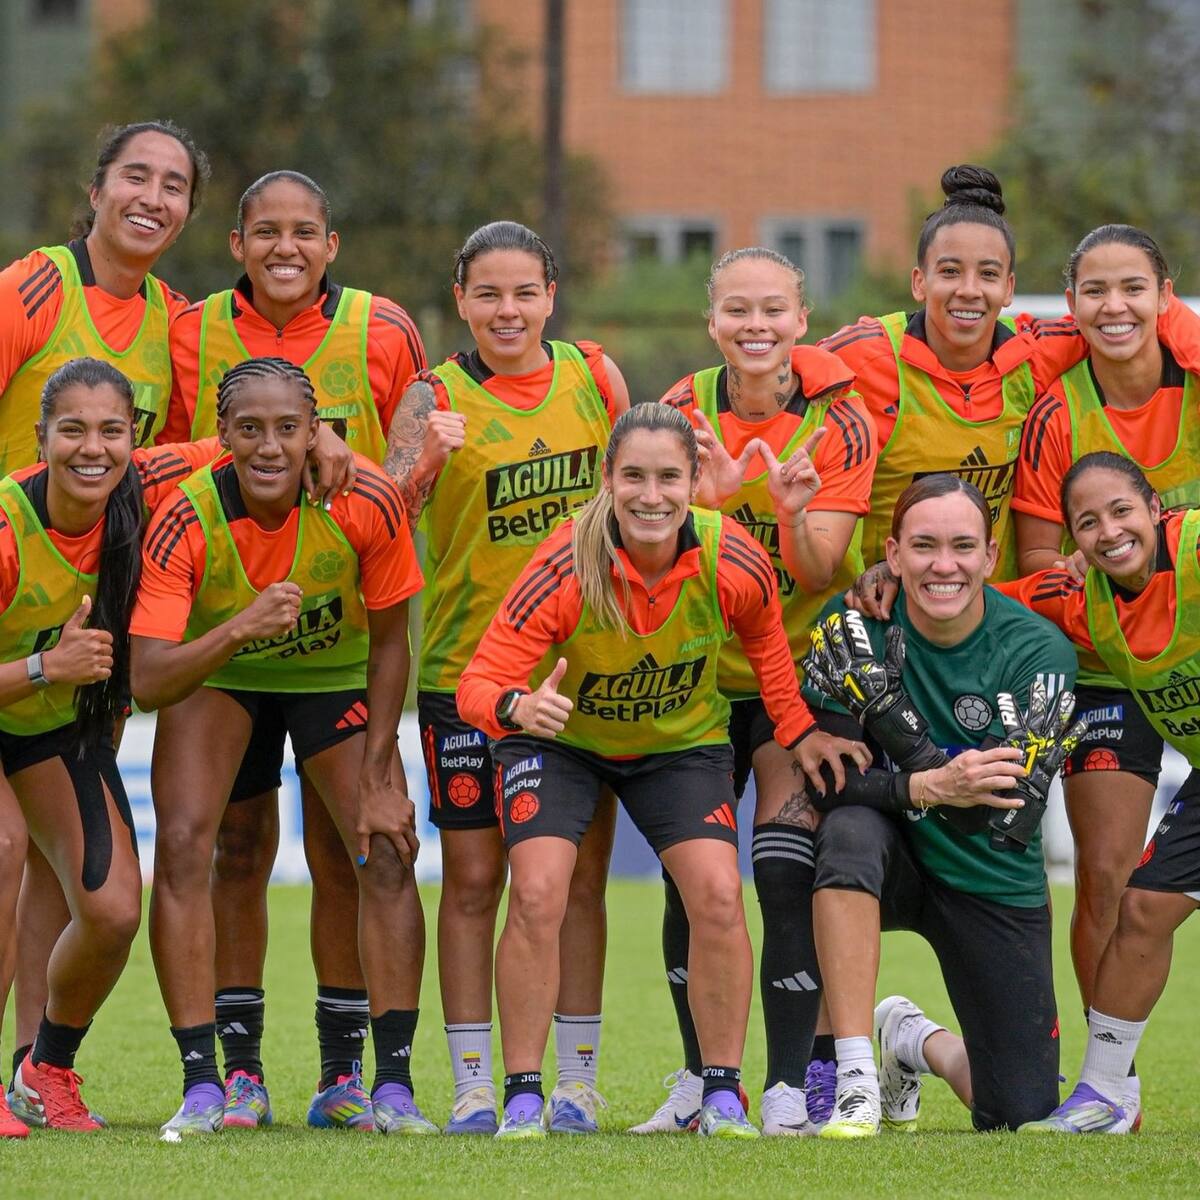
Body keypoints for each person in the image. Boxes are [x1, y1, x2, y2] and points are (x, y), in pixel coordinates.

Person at [457, 402, 870, 1138]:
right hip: (561, 744)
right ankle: (524, 1095)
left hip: (678, 747)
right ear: (608, 480)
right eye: (635, 477)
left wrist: (800, 730)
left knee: (716, 894)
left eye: (669, 478)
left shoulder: (732, 555)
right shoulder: (563, 562)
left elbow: (771, 655)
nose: (652, 495)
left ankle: (721, 1094)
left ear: (694, 480)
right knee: (539, 894)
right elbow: (477, 684)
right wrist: (517, 706)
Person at [167, 170, 425, 1129]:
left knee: (357, 850)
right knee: (232, 849)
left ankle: (353, 1077)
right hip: (222, 646)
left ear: (332, 244)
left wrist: (360, 467)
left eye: (304, 231)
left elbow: (410, 470)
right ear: (236, 244)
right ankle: (235, 1075)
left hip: (335, 644)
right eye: (265, 231)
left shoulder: (386, 328)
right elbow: (152, 454)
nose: (285, 247)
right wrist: (288, 441)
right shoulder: (188, 330)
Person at [384, 220, 628, 1134]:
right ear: (461, 301)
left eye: (524, 291)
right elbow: (381, 516)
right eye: (488, 293)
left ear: (550, 296)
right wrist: (427, 460)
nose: (507, 309)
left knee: (575, 883)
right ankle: (476, 1083)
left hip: (578, 676)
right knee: (476, 880)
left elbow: (642, 493)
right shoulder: (432, 395)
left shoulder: (593, 378)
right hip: (463, 675)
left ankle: (575, 1080)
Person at [633, 246, 876, 1135]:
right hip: (697, 675)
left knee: (781, 867)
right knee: (689, 880)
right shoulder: (678, 414)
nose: (756, 326)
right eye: (738, 310)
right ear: (711, 322)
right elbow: (652, 549)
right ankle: (701, 1081)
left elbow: (819, 568)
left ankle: (782, 1088)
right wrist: (714, 502)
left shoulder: (841, 419)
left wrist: (784, 509)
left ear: (801, 320)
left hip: (800, 676)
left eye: (773, 310)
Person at [0, 122, 207, 1093]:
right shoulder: (33, 287)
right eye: (136, 175)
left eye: (174, 185)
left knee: (65, 874)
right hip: (11, 603)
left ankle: (34, 1072)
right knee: (7, 855)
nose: (152, 197)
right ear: (95, 189)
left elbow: (188, 466)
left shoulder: (179, 323)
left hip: (92, 630)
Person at [806, 473, 1079, 1137]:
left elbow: (999, 811)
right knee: (839, 837)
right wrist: (924, 785)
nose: (944, 565)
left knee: (1016, 1113)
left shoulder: (1037, 650)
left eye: (963, 547)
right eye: (924, 546)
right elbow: (826, 780)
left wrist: (905, 750)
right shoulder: (849, 629)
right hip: (889, 853)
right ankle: (852, 1078)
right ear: (893, 554)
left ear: (990, 557)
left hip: (988, 874)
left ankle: (910, 1039)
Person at [1, 357, 222, 1134]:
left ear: (134, 437)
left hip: (58, 729)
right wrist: (43, 665)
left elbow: (246, 442)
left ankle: (43, 1071)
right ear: (41, 438)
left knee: (114, 910)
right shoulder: (5, 528)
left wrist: (332, 450)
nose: (92, 449)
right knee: (2, 848)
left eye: (111, 430)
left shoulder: (146, 485)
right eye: (72, 430)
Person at [1012, 225, 1200, 1127]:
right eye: (1094, 291)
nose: (1114, 307)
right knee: (1109, 877)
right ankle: (1108, 1091)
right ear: (1070, 303)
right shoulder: (1056, 413)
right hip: (1107, 659)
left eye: (1134, 288)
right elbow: (1038, 563)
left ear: (1166, 293)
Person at [818, 164, 1087, 585]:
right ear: (919, 282)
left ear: (1009, 288)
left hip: (991, 614)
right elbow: (776, 366)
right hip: (887, 607)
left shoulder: (1033, 352)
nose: (969, 289)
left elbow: (1132, 315)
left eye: (988, 274)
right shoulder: (864, 354)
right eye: (949, 271)